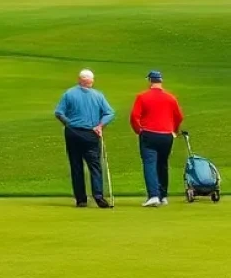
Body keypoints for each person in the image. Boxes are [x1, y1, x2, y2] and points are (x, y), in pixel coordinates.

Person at [54, 70, 115, 208]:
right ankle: (98, 196)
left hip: (73, 133)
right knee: (94, 165)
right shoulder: (98, 95)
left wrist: (68, 123)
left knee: (76, 166)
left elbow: (59, 112)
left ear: (79, 80)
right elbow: (110, 113)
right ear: (91, 81)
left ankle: (81, 199)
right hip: (91, 133)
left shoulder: (69, 93)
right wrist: (100, 126)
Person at [129, 70, 184, 207]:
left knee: (149, 164)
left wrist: (139, 130)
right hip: (166, 135)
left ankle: (153, 195)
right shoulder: (171, 98)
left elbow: (134, 116)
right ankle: (163, 196)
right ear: (161, 81)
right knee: (163, 164)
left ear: (149, 81)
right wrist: (174, 131)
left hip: (149, 134)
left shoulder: (142, 97)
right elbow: (179, 117)